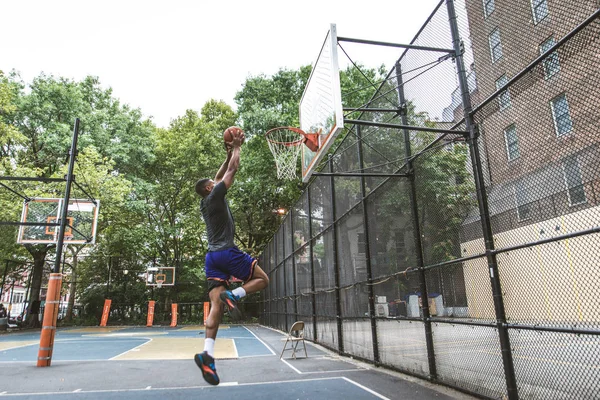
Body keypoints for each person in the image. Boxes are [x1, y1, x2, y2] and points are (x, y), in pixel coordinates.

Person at [193, 126, 269, 386]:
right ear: (209, 188)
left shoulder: (206, 201)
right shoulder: (215, 195)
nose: (216, 181)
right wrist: (236, 148)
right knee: (262, 280)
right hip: (226, 252)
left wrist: (225, 156)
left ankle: (208, 355)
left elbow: (220, 172)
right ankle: (234, 295)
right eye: (213, 183)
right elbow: (231, 171)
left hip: (211, 259)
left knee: (215, 306)